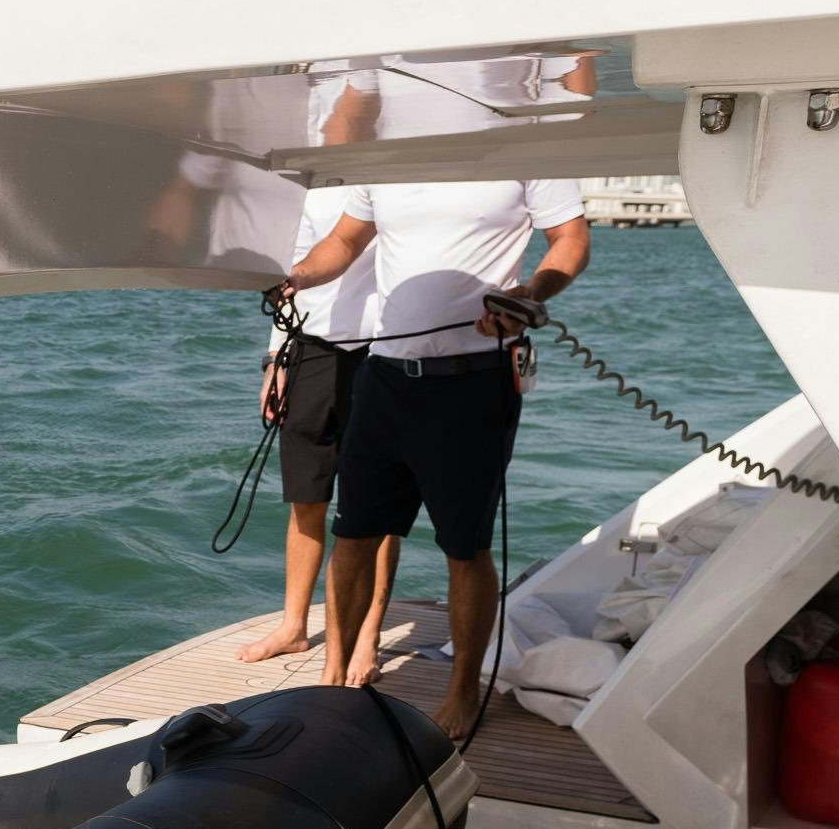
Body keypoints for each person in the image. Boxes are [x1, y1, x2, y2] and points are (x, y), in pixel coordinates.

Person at [282, 179, 592, 737]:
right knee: (353, 536)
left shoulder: (524, 153)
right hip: (382, 378)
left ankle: (462, 690)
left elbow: (571, 239)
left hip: (473, 383)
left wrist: (529, 295)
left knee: (464, 546)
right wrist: (300, 275)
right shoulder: (389, 158)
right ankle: (331, 681)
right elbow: (345, 242)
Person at [236, 183, 401, 678]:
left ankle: (367, 634)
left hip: (385, 350)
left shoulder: (401, 177)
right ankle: (293, 625)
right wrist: (274, 359)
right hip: (309, 346)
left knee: (380, 506)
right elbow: (291, 274)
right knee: (305, 495)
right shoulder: (310, 184)